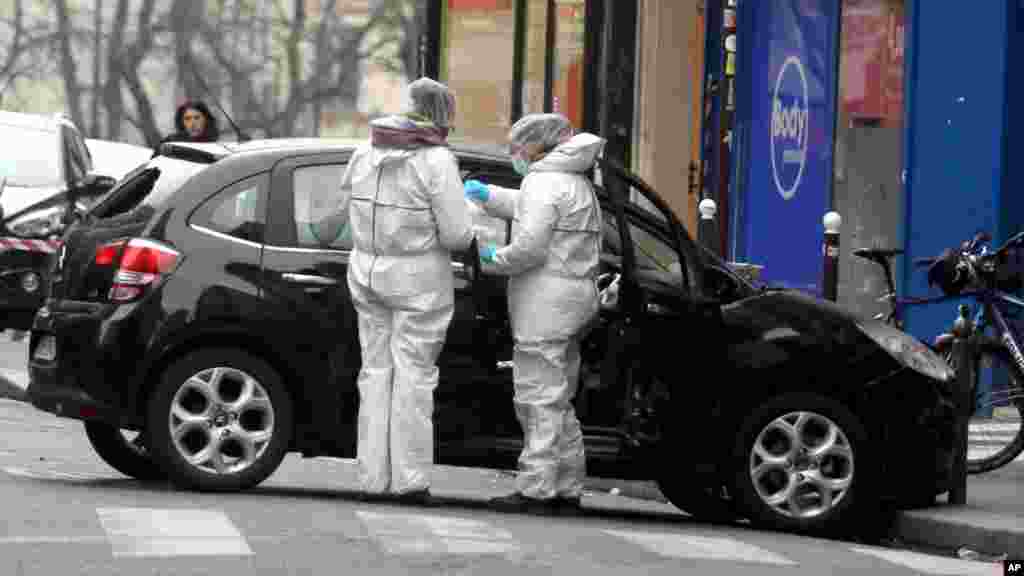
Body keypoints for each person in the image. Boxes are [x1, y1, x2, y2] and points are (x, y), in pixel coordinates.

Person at [463, 113, 605, 514]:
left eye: (518, 146)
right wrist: (489, 195)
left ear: (539, 145)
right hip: (575, 297)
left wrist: (494, 257)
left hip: (546, 302)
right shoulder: (574, 182)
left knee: (537, 398)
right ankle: (567, 485)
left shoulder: (545, 183)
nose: (515, 153)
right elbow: (531, 209)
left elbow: (530, 247)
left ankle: (536, 487)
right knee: (559, 398)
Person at [340, 77, 473, 504]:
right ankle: (410, 480)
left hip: (366, 272)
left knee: (374, 375)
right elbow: (456, 235)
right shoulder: (436, 161)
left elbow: (345, 214)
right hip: (419, 283)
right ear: (441, 114)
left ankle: (372, 478)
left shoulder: (364, 151)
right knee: (414, 378)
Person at [152, 100, 220, 157]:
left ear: (205, 119)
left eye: (197, 118)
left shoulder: (218, 145)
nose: (193, 123)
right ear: (182, 122)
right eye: (187, 119)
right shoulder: (171, 143)